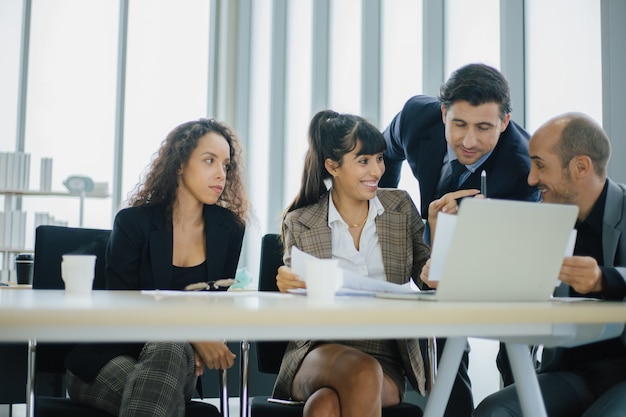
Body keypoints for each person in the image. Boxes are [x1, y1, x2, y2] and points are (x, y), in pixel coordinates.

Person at [380, 62, 540, 417]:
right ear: (442, 114)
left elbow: (517, 255)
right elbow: (383, 152)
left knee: (516, 346)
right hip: (434, 241)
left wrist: (484, 225)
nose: (469, 142)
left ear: (505, 122)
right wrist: (385, 214)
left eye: (484, 128)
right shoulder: (414, 119)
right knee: (443, 340)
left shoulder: (523, 167)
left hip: (503, 252)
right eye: (459, 124)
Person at [64, 118, 250, 417]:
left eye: (226, 165)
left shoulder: (229, 229)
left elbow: (215, 305)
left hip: (181, 363)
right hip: (104, 359)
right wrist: (195, 333)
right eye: (209, 160)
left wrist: (197, 333)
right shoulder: (133, 223)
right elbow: (124, 308)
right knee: (161, 384)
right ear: (179, 164)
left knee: (170, 347)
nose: (220, 174)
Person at [273, 109, 431, 417]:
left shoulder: (400, 208)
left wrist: (439, 238)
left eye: (380, 158)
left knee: (325, 406)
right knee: (360, 373)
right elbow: (299, 292)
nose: (377, 170)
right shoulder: (302, 221)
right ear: (333, 166)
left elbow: (428, 278)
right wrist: (288, 283)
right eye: (364, 161)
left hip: (386, 356)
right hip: (319, 349)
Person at [473, 112, 626, 417]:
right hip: (573, 374)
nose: (531, 179)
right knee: (495, 411)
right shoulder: (541, 223)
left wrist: (604, 280)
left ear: (581, 166)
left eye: (540, 165)